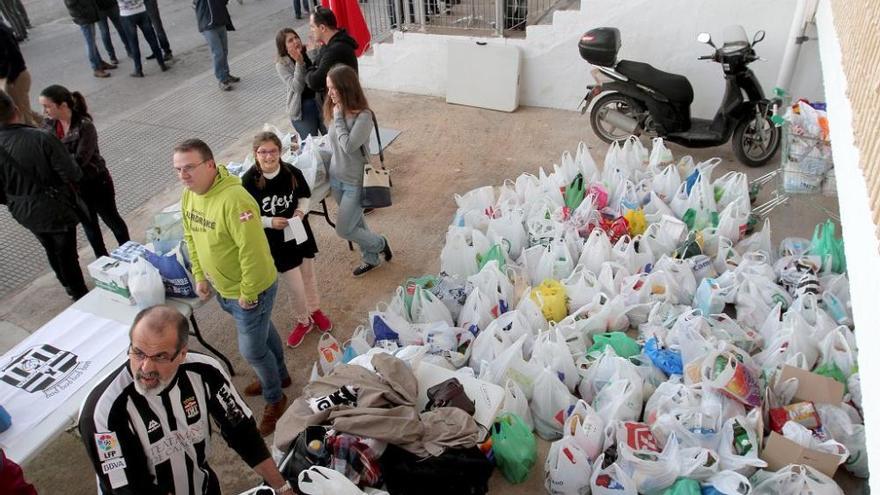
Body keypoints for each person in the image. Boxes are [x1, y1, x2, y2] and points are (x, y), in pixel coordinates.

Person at [78, 305, 295, 494]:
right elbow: (129, 487)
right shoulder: (102, 411)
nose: (145, 368)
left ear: (182, 354)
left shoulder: (206, 372)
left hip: (201, 485)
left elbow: (242, 433)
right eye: (138, 353)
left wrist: (282, 487)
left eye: (160, 357)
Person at [175, 138, 291, 435]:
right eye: (178, 170)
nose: (183, 175)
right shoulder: (189, 196)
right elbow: (190, 237)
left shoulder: (235, 200)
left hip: (251, 290)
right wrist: (200, 276)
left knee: (252, 351)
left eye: (190, 167)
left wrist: (248, 293)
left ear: (210, 165)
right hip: (224, 290)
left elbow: (251, 251)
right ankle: (280, 375)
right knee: (263, 331)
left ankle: (275, 398)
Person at [242, 131, 332, 348]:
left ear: (279, 152)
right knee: (295, 285)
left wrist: (301, 212)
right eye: (263, 152)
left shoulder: (291, 172)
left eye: (273, 151)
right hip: (276, 242)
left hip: (299, 232)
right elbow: (245, 214)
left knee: (308, 276)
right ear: (255, 154)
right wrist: (269, 222)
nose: (268, 156)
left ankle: (314, 309)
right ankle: (303, 320)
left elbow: (304, 196)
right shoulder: (248, 181)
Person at [0, 89, 89, 300]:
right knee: (66, 253)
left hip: (22, 209)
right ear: (16, 109)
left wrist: (15, 199)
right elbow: (72, 173)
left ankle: (66, 285)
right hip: (55, 206)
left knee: (49, 247)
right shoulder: (41, 138)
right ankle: (78, 292)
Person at [39, 85, 130, 258]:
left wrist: (57, 164)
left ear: (63, 106)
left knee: (112, 220)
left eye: (47, 106)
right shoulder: (48, 126)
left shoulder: (84, 126)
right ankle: (104, 262)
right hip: (75, 189)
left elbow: (79, 161)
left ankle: (130, 253)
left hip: (96, 182)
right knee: (90, 227)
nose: (44, 111)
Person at [324, 65, 391, 276]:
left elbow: (348, 146)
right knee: (357, 221)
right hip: (336, 179)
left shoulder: (363, 117)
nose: (330, 93)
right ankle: (371, 258)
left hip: (355, 181)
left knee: (343, 228)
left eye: (333, 88)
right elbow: (333, 144)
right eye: (328, 88)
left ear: (346, 88)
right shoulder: (336, 110)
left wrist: (338, 117)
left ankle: (380, 243)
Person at [275, 27, 325, 140]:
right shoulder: (282, 64)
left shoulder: (309, 49)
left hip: (321, 101)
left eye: (296, 37)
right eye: (290, 40)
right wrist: (299, 63)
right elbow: (297, 87)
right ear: (284, 46)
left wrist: (313, 53)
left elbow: (319, 72)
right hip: (302, 108)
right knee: (311, 143)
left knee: (331, 138)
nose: (295, 41)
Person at [305, 6, 358, 99]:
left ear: (322, 28)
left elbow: (315, 81)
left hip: (343, 106)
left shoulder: (335, 50)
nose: (311, 30)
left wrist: (310, 71)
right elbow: (315, 68)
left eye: (312, 27)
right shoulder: (328, 45)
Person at [193, 0, 240, 91]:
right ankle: (222, 79)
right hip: (208, 24)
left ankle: (226, 74)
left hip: (219, 20)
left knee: (224, 50)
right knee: (218, 53)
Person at [64, 0, 118, 78]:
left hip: (88, 15)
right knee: (90, 43)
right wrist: (84, 13)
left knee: (92, 42)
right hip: (84, 17)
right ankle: (96, 68)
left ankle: (99, 63)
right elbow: (71, 4)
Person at [0, 23, 39, 126]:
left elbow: (10, 55)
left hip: (15, 78)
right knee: (25, 111)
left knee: (25, 120)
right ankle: (53, 127)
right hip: (14, 76)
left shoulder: (2, 31)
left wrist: (9, 77)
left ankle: (48, 136)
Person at [116, 0, 168, 77]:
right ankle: (161, 64)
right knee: (152, 39)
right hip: (141, 10)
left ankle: (138, 69)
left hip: (126, 14)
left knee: (133, 43)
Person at [96, 0, 132, 65]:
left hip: (102, 7)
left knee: (106, 32)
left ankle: (112, 57)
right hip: (107, 6)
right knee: (119, 28)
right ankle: (129, 50)